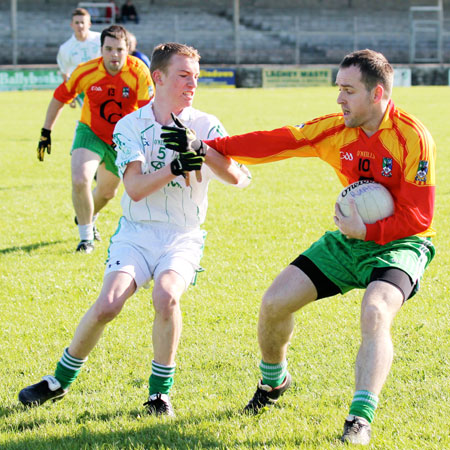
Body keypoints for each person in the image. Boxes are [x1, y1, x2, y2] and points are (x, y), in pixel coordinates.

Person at [161, 49, 436, 444]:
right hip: (348, 239)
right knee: (274, 303)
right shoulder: (335, 129)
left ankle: (359, 418)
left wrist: (367, 232)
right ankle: (274, 382)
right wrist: (206, 146)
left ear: (377, 94)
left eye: (348, 90)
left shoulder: (412, 137)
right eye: (338, 89)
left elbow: (420, 217)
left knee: (375, 311)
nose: (339, 99)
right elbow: (275, 141)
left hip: (401, 244)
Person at [19, 42, 251, 416]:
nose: (192, 83)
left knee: (166, 296)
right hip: (137, 233)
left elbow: (240, 179)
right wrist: (177, 167)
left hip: (182, 235)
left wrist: (202, 149)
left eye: (196, 76)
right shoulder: (130, 125)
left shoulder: (206, 124)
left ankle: (159, 395)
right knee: (109, 304)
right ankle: (58, 381)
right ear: (157, 78)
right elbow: (136, 189)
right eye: (183, 76)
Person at [36, 25, 153, 254]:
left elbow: (149, 113)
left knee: (106, 193)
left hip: (123, 139)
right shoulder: (85, 71)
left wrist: (147, 146)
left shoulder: (139, 72)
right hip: (90, 133)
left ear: (128, 49)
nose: (114, 55)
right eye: (108, 49)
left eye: (119, 49)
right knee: (80, 179)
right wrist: (45, 132)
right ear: (101, 49)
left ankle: (87, 216)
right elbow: (60, 97)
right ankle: (86, 238)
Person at [57, 8, 101, 108]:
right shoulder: (65, 48)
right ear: (71, 25)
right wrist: (70, 95)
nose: (80, 26)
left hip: (102, 86)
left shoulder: (101, 40)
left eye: (83, 22)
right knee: (89, 116)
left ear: (89, 24)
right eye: (77, 22)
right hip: (82, 91)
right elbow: (65, 73)